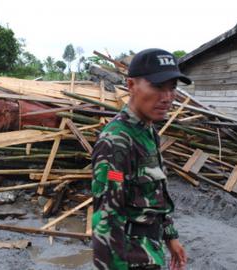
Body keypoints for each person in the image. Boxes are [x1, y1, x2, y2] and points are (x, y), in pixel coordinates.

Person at [91, 48, 190, 270]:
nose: (167, 98)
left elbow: (156, 193)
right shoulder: (116, 141)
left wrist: (170, 236)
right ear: (131, 85)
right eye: (157, 86)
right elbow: (105, 222)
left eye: (172, 88)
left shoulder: (148, 132)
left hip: (150, 251)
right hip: (129, 259)